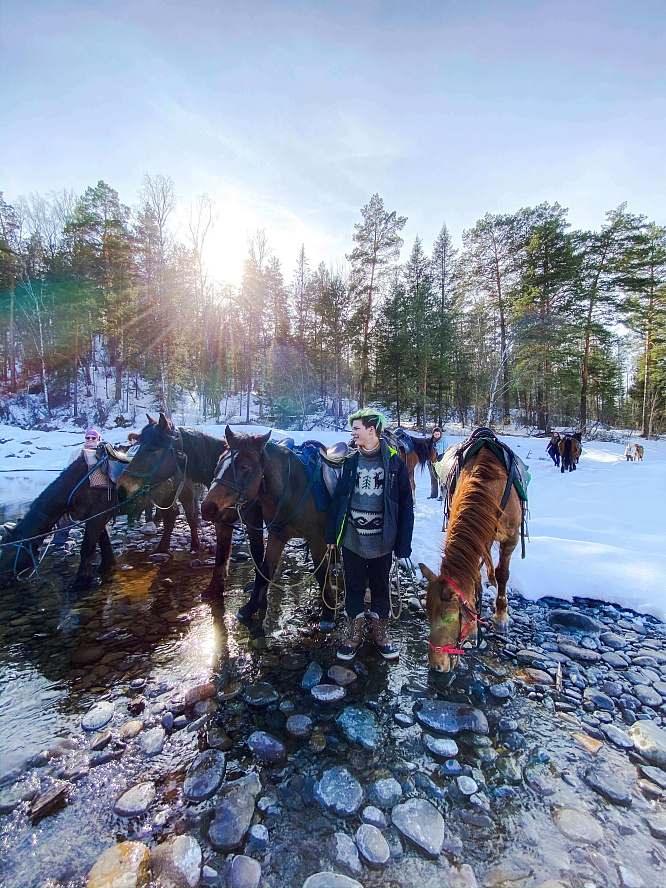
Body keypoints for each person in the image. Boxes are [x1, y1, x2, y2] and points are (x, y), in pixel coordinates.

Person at [327, 408, 414, 662]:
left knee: (380, 587)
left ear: (371, 430)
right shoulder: (351, 462)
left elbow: (406, 506)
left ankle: (380, 636)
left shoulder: (395, 463)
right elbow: (340, 500)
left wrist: (403, 544)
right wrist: (332, 535)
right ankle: (353, 637)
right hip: (353, 540)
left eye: (356, 428)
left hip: (382, 542)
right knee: (353, 587)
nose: (352, 433)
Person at [428, 426, 448, 498]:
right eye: (435, 434)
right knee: (433, 478)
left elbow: (446, 450)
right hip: (431, 461)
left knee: (441, 478)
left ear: (440, 434)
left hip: (440, 461)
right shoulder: (430, 441)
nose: (436, 436)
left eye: (438, 434)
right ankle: (433, 494)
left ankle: (442, 495)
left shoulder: (443, 441)